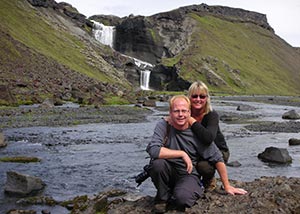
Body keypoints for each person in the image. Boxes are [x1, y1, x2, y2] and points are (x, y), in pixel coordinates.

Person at [146, 95, 247, 213]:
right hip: (167, 171)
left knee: (182, 200)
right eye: (176, 111)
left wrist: (227, 185)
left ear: (189, 112)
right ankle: (162, 199)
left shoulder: (197, 132)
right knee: (157, 164)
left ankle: (187, 190)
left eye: (184, 111)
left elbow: (218, 158)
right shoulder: (163, 125)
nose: (180, 114)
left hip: (188, 174)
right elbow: (153, 150)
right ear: (170, 113)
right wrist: (182, 154)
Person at [187, 81, 230, 191]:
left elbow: (208, 138)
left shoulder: (212, 115)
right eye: (194, 96)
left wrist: (192, 121)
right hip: (198, 150)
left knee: (203, 167)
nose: (198, 99)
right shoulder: (185, 113)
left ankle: (209, 179)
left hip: (217, 151)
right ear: (189, 97)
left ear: (207, 98)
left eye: (202, 96)